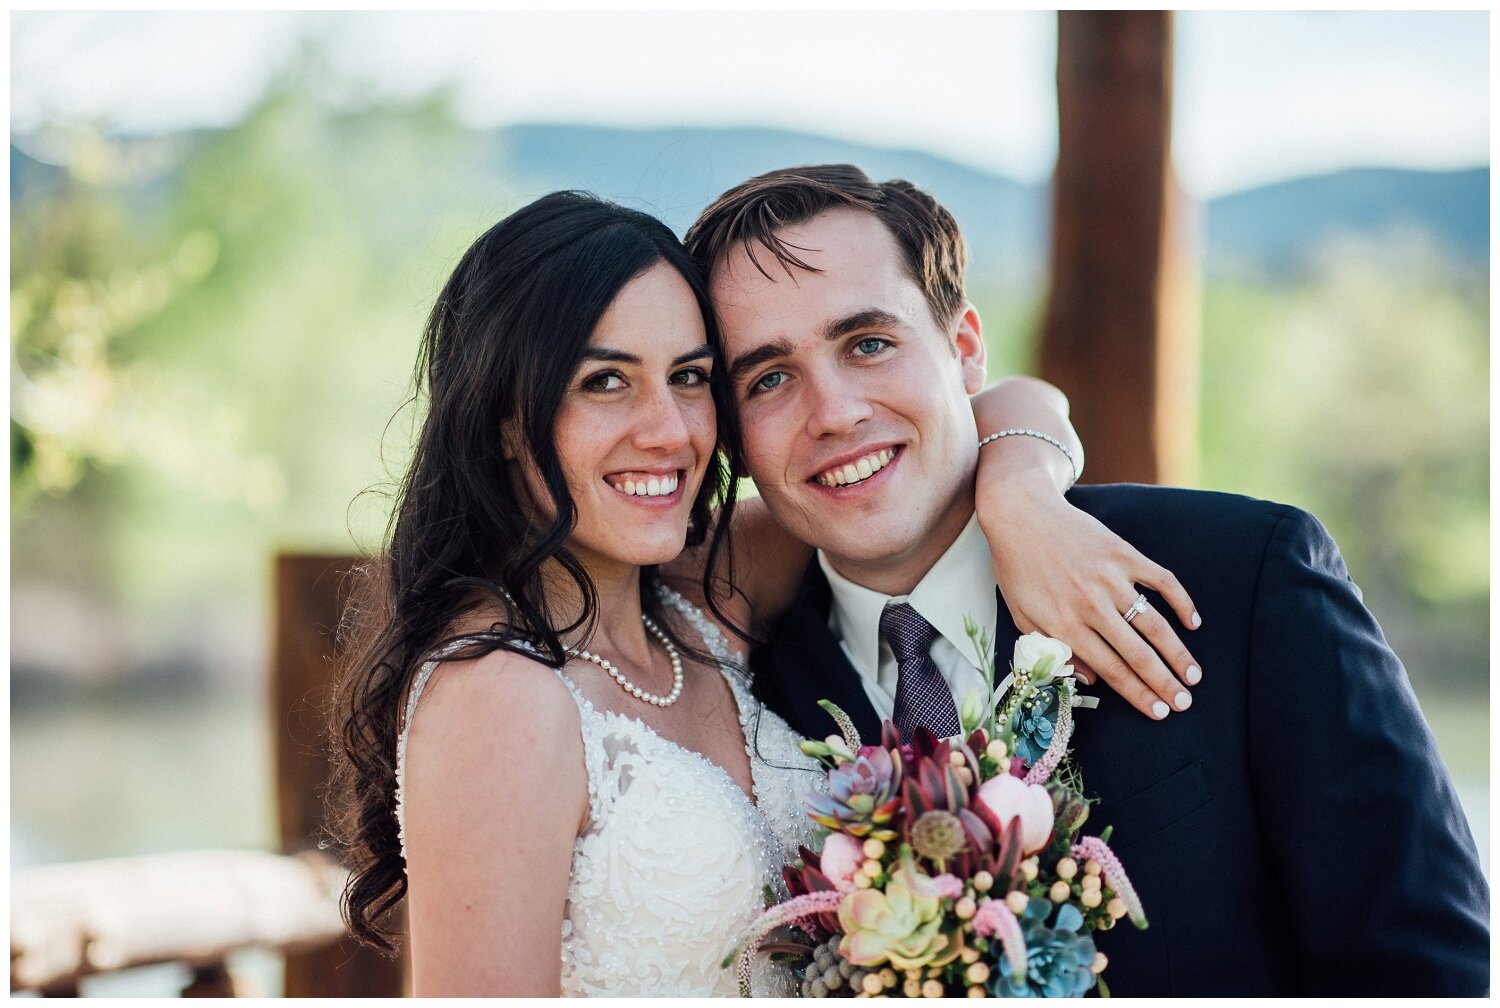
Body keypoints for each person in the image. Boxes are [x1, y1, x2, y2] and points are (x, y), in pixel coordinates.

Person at [326, 190, 1194, 995]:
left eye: (691, 376)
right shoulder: (497, 694)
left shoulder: (702, 595)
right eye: (604, 381)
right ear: (503, 420)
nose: (667, 432)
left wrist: (1022, 495)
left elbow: (979, 412)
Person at [684, 164, 1489, 996]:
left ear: (965, 352)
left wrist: (1020, 479)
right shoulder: (751, 711)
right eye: (769, 378)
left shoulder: (1240, 576)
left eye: (869, 344)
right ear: (733, 438)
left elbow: (1430, 972)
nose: (835, 412)